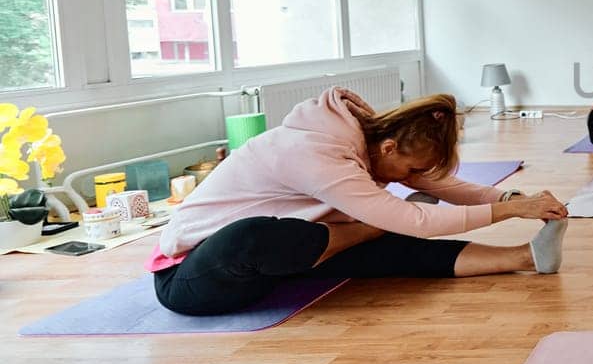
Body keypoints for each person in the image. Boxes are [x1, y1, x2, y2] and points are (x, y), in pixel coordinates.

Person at [147, 89, 570, 315]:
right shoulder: (316, 154)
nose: (411, 179)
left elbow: (440, 185)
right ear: (388, 148)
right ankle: (376, 226)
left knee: (385, 236)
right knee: (261, 235)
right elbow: (421, 219)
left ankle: (525, 257)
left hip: (282, 262)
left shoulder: (368, 143)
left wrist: (513, 197)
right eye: (409, 171)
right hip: (194, 278)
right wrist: (509, 210)